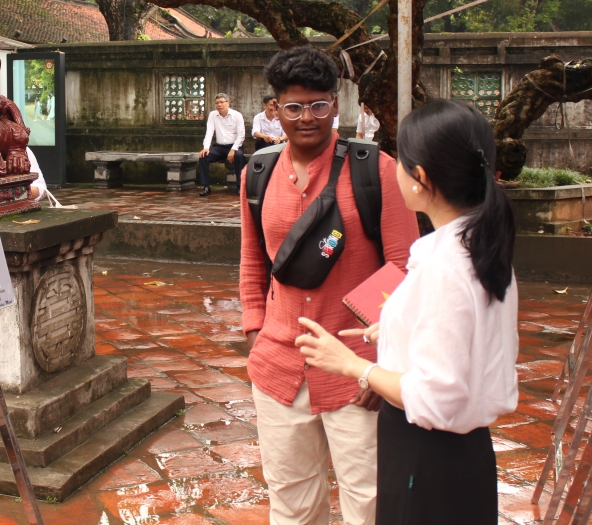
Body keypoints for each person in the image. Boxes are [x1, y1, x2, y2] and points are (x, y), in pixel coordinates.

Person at [295, 99, 519, 525]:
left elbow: (435, 398)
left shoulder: (445, 266)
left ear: (419, 179)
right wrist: (397, 329)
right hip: (462, 454)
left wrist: (350, 367)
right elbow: (467, 337)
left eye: (400, 157)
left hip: (428, 455)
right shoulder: (479, 243)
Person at [239, 46, 420, 525]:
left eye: (319, 105)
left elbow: (405, 265)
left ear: (335, 104)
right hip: (279, 366)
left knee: (371, 504)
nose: (307, 118)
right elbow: (253, 261)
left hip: (355, 370)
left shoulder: (375, 169)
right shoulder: (256, 174)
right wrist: (256, 330)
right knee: (292, 505)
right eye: (294, 107)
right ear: (274, 110)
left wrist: (383, 361)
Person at [198, 93, 245, 197]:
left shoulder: (237, 115)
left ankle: (240, 186)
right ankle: (206, 186)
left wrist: (233, 149)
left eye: (222, 102)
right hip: (219, 147)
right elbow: (209, 132)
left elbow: (241, 135)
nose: (219, 105)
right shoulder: (213, 115)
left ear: (228, 103)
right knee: (204, 156)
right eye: (217, 103)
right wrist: (206, 147)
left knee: (239, 156)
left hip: (235, 146)